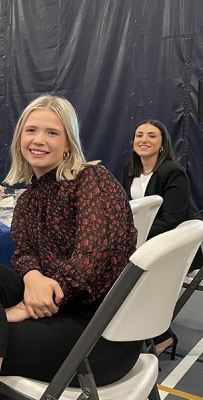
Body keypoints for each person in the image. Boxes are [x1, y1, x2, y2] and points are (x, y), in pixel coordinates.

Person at [0, 95, 142, 400]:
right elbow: (23, 252)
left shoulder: (92, 180)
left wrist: (28, 305)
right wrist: (32, 276)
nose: (39, 140)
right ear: (20, 137)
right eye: (31, 130)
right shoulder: (28, 200)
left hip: (103, 334)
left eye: (52, 132)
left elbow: (92, 262)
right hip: (66, 313)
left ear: (69, 143)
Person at [122, 119, 203, 357]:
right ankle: (140, 331)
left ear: (162, 144)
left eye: (151, 136)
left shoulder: (173, 173)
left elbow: (172, 220)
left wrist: (134, 239)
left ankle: (163, 336)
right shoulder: (130, 168)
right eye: (139, 135)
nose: (143, 140)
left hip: (171, 246)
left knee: (135, 280)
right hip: (141, 243)